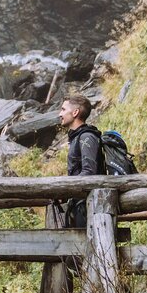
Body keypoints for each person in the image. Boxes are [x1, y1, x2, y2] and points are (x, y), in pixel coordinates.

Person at [59, 93, 104, 228]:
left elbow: (89, 172)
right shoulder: (78, 137)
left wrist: (65, 189)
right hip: (81, 205)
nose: (59, 114)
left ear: (75, 112)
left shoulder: (86, 137)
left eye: (63, 109)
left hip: (87, 208)